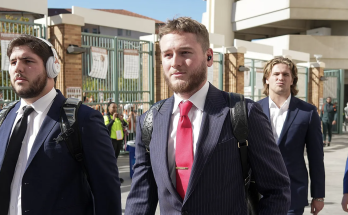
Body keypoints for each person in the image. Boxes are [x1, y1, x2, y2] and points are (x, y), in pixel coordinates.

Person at [125, 17, 291, 215]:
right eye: (168, 55)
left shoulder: (243, 113)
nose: (175, 62)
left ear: (209, 56)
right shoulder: (150, 120)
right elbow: (141, 197)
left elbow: (277, 191)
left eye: (185, 52)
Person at [0, 34, 121, 215]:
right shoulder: (4, 118)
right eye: (13, 62)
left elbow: (107, 192)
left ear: (52, 67)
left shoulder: (83, 119)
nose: (18, 68)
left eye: (28, 61)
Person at [257, 57, 325, 215]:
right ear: (267, 78)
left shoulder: (307, 112)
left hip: (293, 192)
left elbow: (316, 157)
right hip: (259, 192)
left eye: (286, 74)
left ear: (292, 79)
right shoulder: (253, 109)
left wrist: (318, 195)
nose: (280, 78)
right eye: (276, 74)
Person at [104, 101, 128, 183]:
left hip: (118, 141)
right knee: (111, 160)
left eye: (115, 107)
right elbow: (106, 128)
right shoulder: (106, 117)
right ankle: (110, 178)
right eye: (113, 107)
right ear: (108, 108)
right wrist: (113, 120)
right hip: (111, 141)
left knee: (115, 159)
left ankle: (115, 177)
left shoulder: (118, 117)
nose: (115, 109)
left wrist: (122, 120)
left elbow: (126, 125)